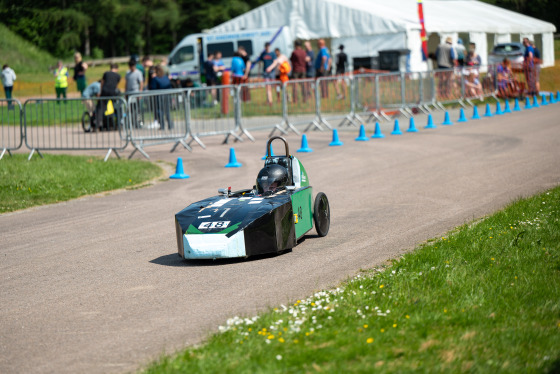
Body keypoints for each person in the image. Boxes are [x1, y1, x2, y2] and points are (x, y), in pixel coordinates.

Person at [149, 64, 173, 130]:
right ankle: (170, 125)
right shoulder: (165, 77)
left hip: (159, 96)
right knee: (167, 111)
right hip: (167, 95)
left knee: (160, 111)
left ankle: (162, 126)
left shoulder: (155, 78)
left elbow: (153, 88)